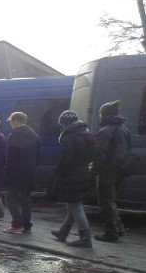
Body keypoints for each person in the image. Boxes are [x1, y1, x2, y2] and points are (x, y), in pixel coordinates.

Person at [51, 110, 96, 248]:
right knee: (73, 204)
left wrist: (58, 171)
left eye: (61, 124)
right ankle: (63, 232)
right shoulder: (86, 134)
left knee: (75, 206)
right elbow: (93, 154)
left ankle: (85, 238)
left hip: (72, 174)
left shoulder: (68, 137)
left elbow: (66, 158)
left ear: (65, 123)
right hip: (83, 171)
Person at [92, 100, 130, 242]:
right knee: (112, 201)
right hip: (120, 169)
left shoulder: (105, 131)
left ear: (104, 115)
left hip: (107, 170)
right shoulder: (124, 129)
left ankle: (111, 232)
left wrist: (93, 172)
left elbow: (100, 154)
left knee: (105, 202)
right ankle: (118, 227)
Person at [3, 112, 40, 233]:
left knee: (10, 198)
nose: (11, 125)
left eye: (11, 122)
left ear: (15, 121)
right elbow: (38, 155)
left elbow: (10, 157)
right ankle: (27, 225)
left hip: (15, 172)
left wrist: (6, 172)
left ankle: (16, 223)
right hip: (29, 172)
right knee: (26, 200)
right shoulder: (34, 136)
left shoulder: (14, 136)